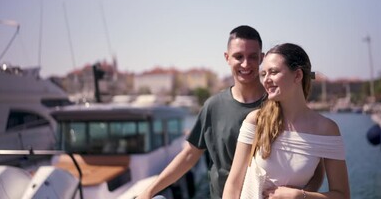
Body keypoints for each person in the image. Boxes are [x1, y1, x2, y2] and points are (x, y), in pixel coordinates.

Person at [137, 27, 323, 199]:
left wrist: (300, 195)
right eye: (238, 56)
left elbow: (314, 167)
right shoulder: (213, 106)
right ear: (227, 58)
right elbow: (188, 156)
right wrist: (149, 192)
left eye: (252, 56)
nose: (246, 63)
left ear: (262, 58)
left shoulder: (282, 102)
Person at [223, 43, 350, 199]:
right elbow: (233, 185)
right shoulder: (256, 121)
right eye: (263, 74)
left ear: (297, 75)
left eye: (273, 72)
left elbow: (342, 195)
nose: (266, 80)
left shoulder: (327, 129)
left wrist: (300, 196)